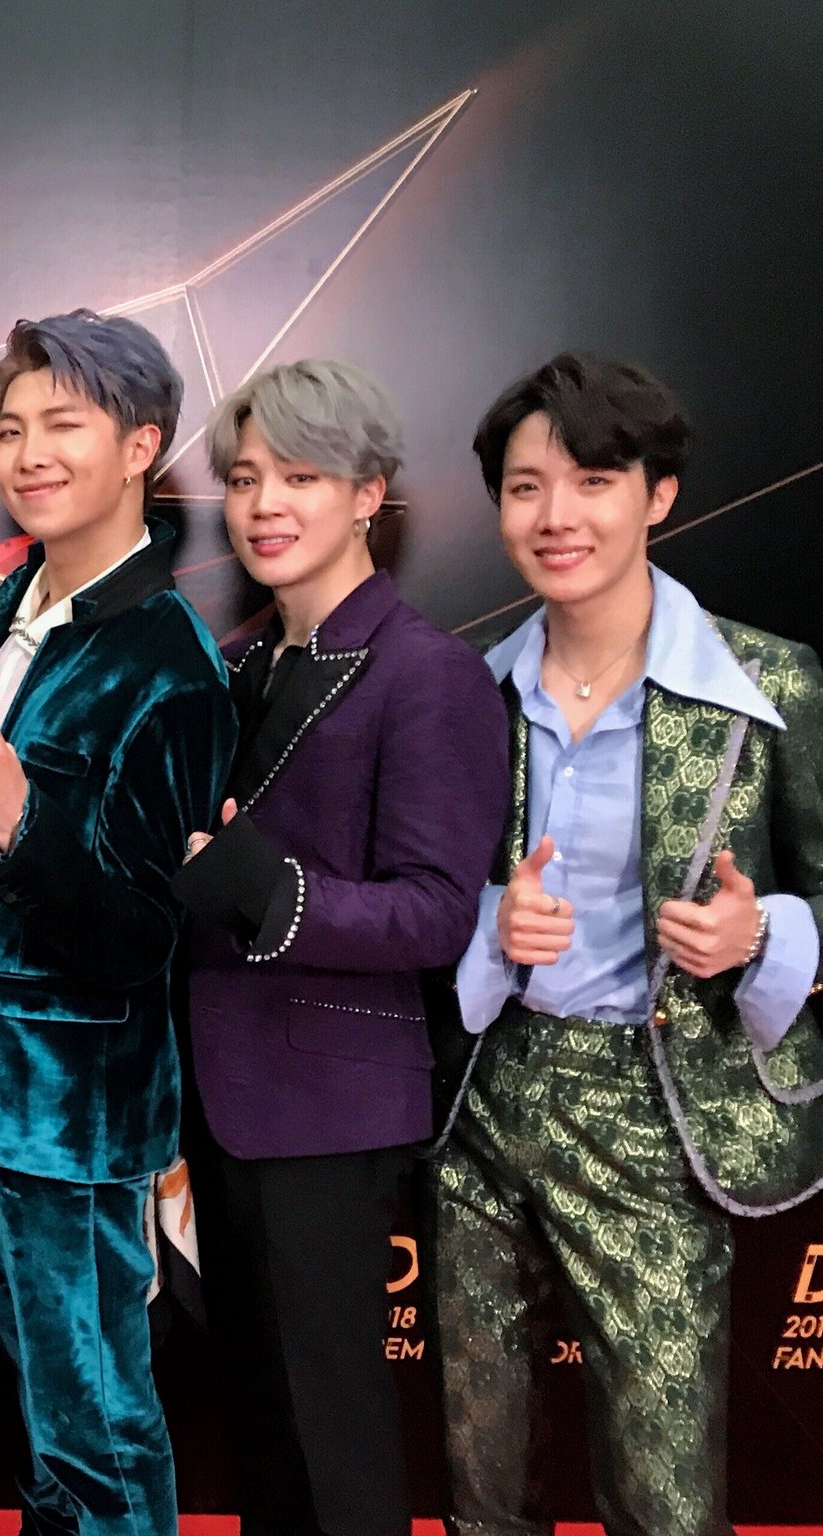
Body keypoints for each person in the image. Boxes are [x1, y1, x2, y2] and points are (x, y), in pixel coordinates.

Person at [439, 353, 823, 1536]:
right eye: (524, 488)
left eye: (592, 481)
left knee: (662, 1499)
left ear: (656, 495)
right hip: (483, 1104)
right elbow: (418, 899)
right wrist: (489, 925)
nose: (555, 517)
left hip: (658, 1108)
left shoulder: (768, 683)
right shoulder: (467, 693)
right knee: (479, 1486)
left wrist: (759, 933)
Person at [0, 310, 235, 1536]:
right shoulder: (20, 596)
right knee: (48, 1434)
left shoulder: (169, 666)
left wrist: (20, 827)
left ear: (140, 445)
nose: (28, 454)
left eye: (64, 425)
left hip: (70, 1116)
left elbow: (146, 937)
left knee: (98, 1432)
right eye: (11, 428)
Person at [171, 359, 508, 1536]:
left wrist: (273, 894)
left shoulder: (426, 673)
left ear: (367, 494)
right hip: (216, 1105)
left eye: (300, 476)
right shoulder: (237, 668)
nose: (264, 504)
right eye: (244, 478)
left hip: (326, 1115)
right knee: (263, 1441)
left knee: (332, 1447)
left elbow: (436, 912)